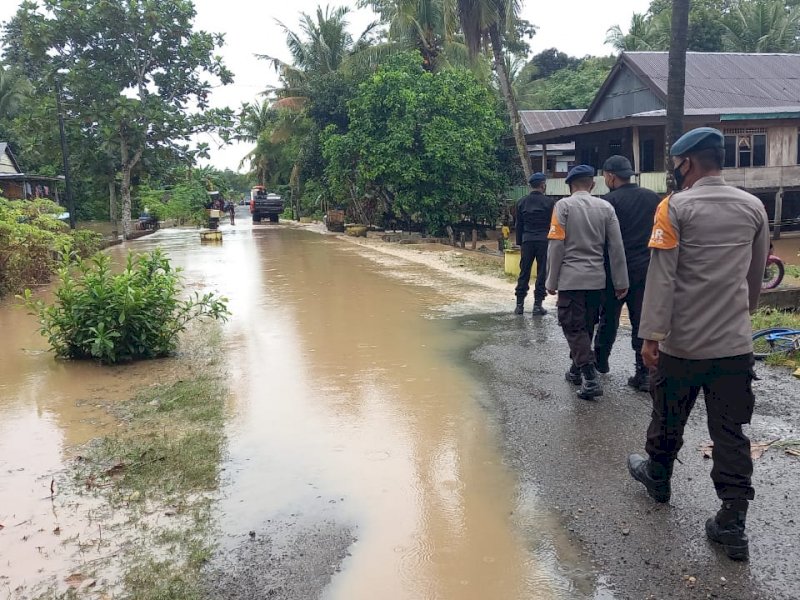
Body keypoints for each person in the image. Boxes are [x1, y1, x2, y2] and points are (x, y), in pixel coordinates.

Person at [627, 127, 770, 561]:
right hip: (733, 346)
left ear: (686, 163)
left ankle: (659, 476)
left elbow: (662, 276)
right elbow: (755, 274)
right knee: (730, 431)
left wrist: (650, 335)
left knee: (668, 413)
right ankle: (732, 521)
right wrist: (739, 319)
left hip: (683, 346)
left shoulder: (674, 208)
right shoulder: (754, 206)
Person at [546, 164, 628, 400]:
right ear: (592, 184)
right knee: (587, 326)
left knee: (573, 327)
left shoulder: (562, 206)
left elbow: (556, 245)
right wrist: (621, 281)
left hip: (571, 279)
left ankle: (590, 378)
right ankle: (575, 370)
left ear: (570, 185)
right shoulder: (606, 207)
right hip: (597, 280)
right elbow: (616, 247)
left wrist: (551, 280)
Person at [593, 155, 662, 390]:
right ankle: (642, 374)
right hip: (646, 269)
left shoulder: (608, 202)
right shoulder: (653, 198)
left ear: (611, 176)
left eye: (605, 176)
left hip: (616, 271)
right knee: (640, 321)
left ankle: (600, 363)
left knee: (608, 318)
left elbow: (602, 240)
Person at [514, 172, 556, 316]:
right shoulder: (550, 203)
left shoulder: (521, 202)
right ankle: (537, 306)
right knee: (541, 273)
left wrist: (520, 242)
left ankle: (519, 306)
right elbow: (553, 225)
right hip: (544, 241)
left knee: (524, 272)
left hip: (527, 240)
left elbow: (518, 225)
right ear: (543, 185)